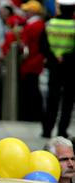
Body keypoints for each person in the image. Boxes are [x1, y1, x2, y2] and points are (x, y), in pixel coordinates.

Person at [40, 0, 75, 138]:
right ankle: (62, 130)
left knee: (51, 99)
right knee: (67, 101)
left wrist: (55, 56)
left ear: (59, 8)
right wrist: (65, 57)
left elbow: (42, 45)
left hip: (54, 67)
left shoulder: (49, 24)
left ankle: (47, 130)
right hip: (71, 68)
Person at [18, 0, 46, 122]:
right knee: (33, 89)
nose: (25, 13)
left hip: (30, 62)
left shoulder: (31, 26)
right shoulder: (41, 25)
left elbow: (24, 45)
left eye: (27, 11)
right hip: (37, 61)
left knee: (31, 90)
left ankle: (32, 115)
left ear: (33, 11)